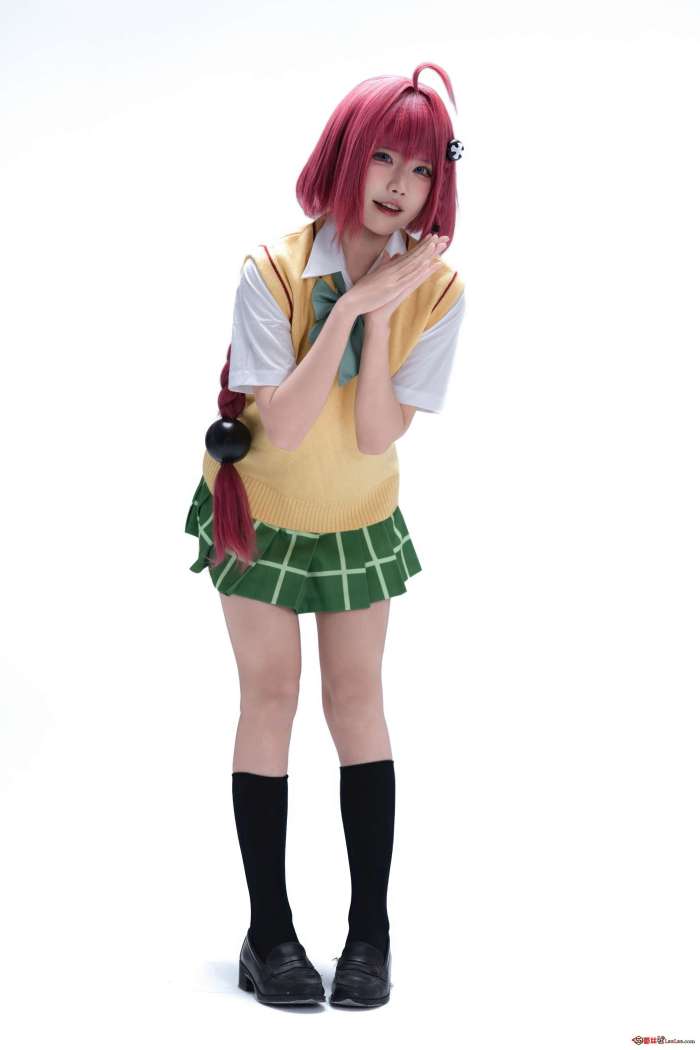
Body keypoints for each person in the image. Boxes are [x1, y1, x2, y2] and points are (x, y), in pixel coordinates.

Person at [184, 60, 465, 1008]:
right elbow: (291, 423)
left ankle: (369, 937)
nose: (399, 185)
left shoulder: (439, 291)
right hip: (261, 507)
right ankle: (268, 935)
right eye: (384, 157)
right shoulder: (271, 272)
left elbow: (379, 433)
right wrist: (347, 306)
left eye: (421, 169)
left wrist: (381, 316)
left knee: (357, 703)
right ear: (346, 155)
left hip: (356, 516)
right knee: (270, 697)